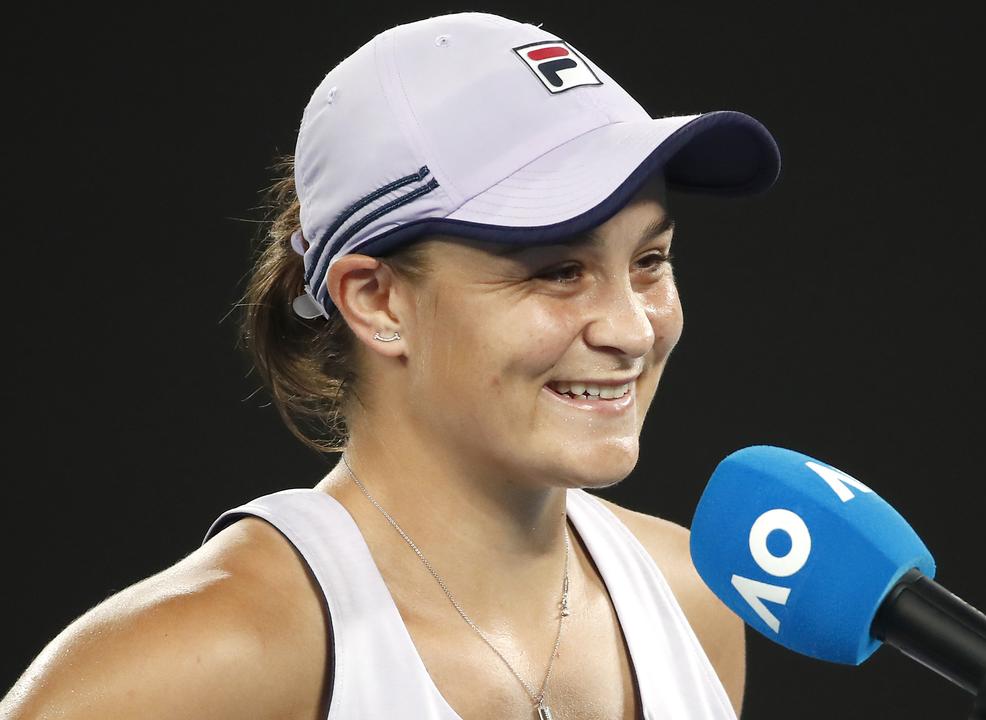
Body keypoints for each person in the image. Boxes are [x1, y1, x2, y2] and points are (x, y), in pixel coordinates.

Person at [1, 11, 779, 719]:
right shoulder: (199, 662)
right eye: (558, 270)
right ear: (376, 301)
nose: (631, 328)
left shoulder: (695, 597)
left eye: (650, 260)